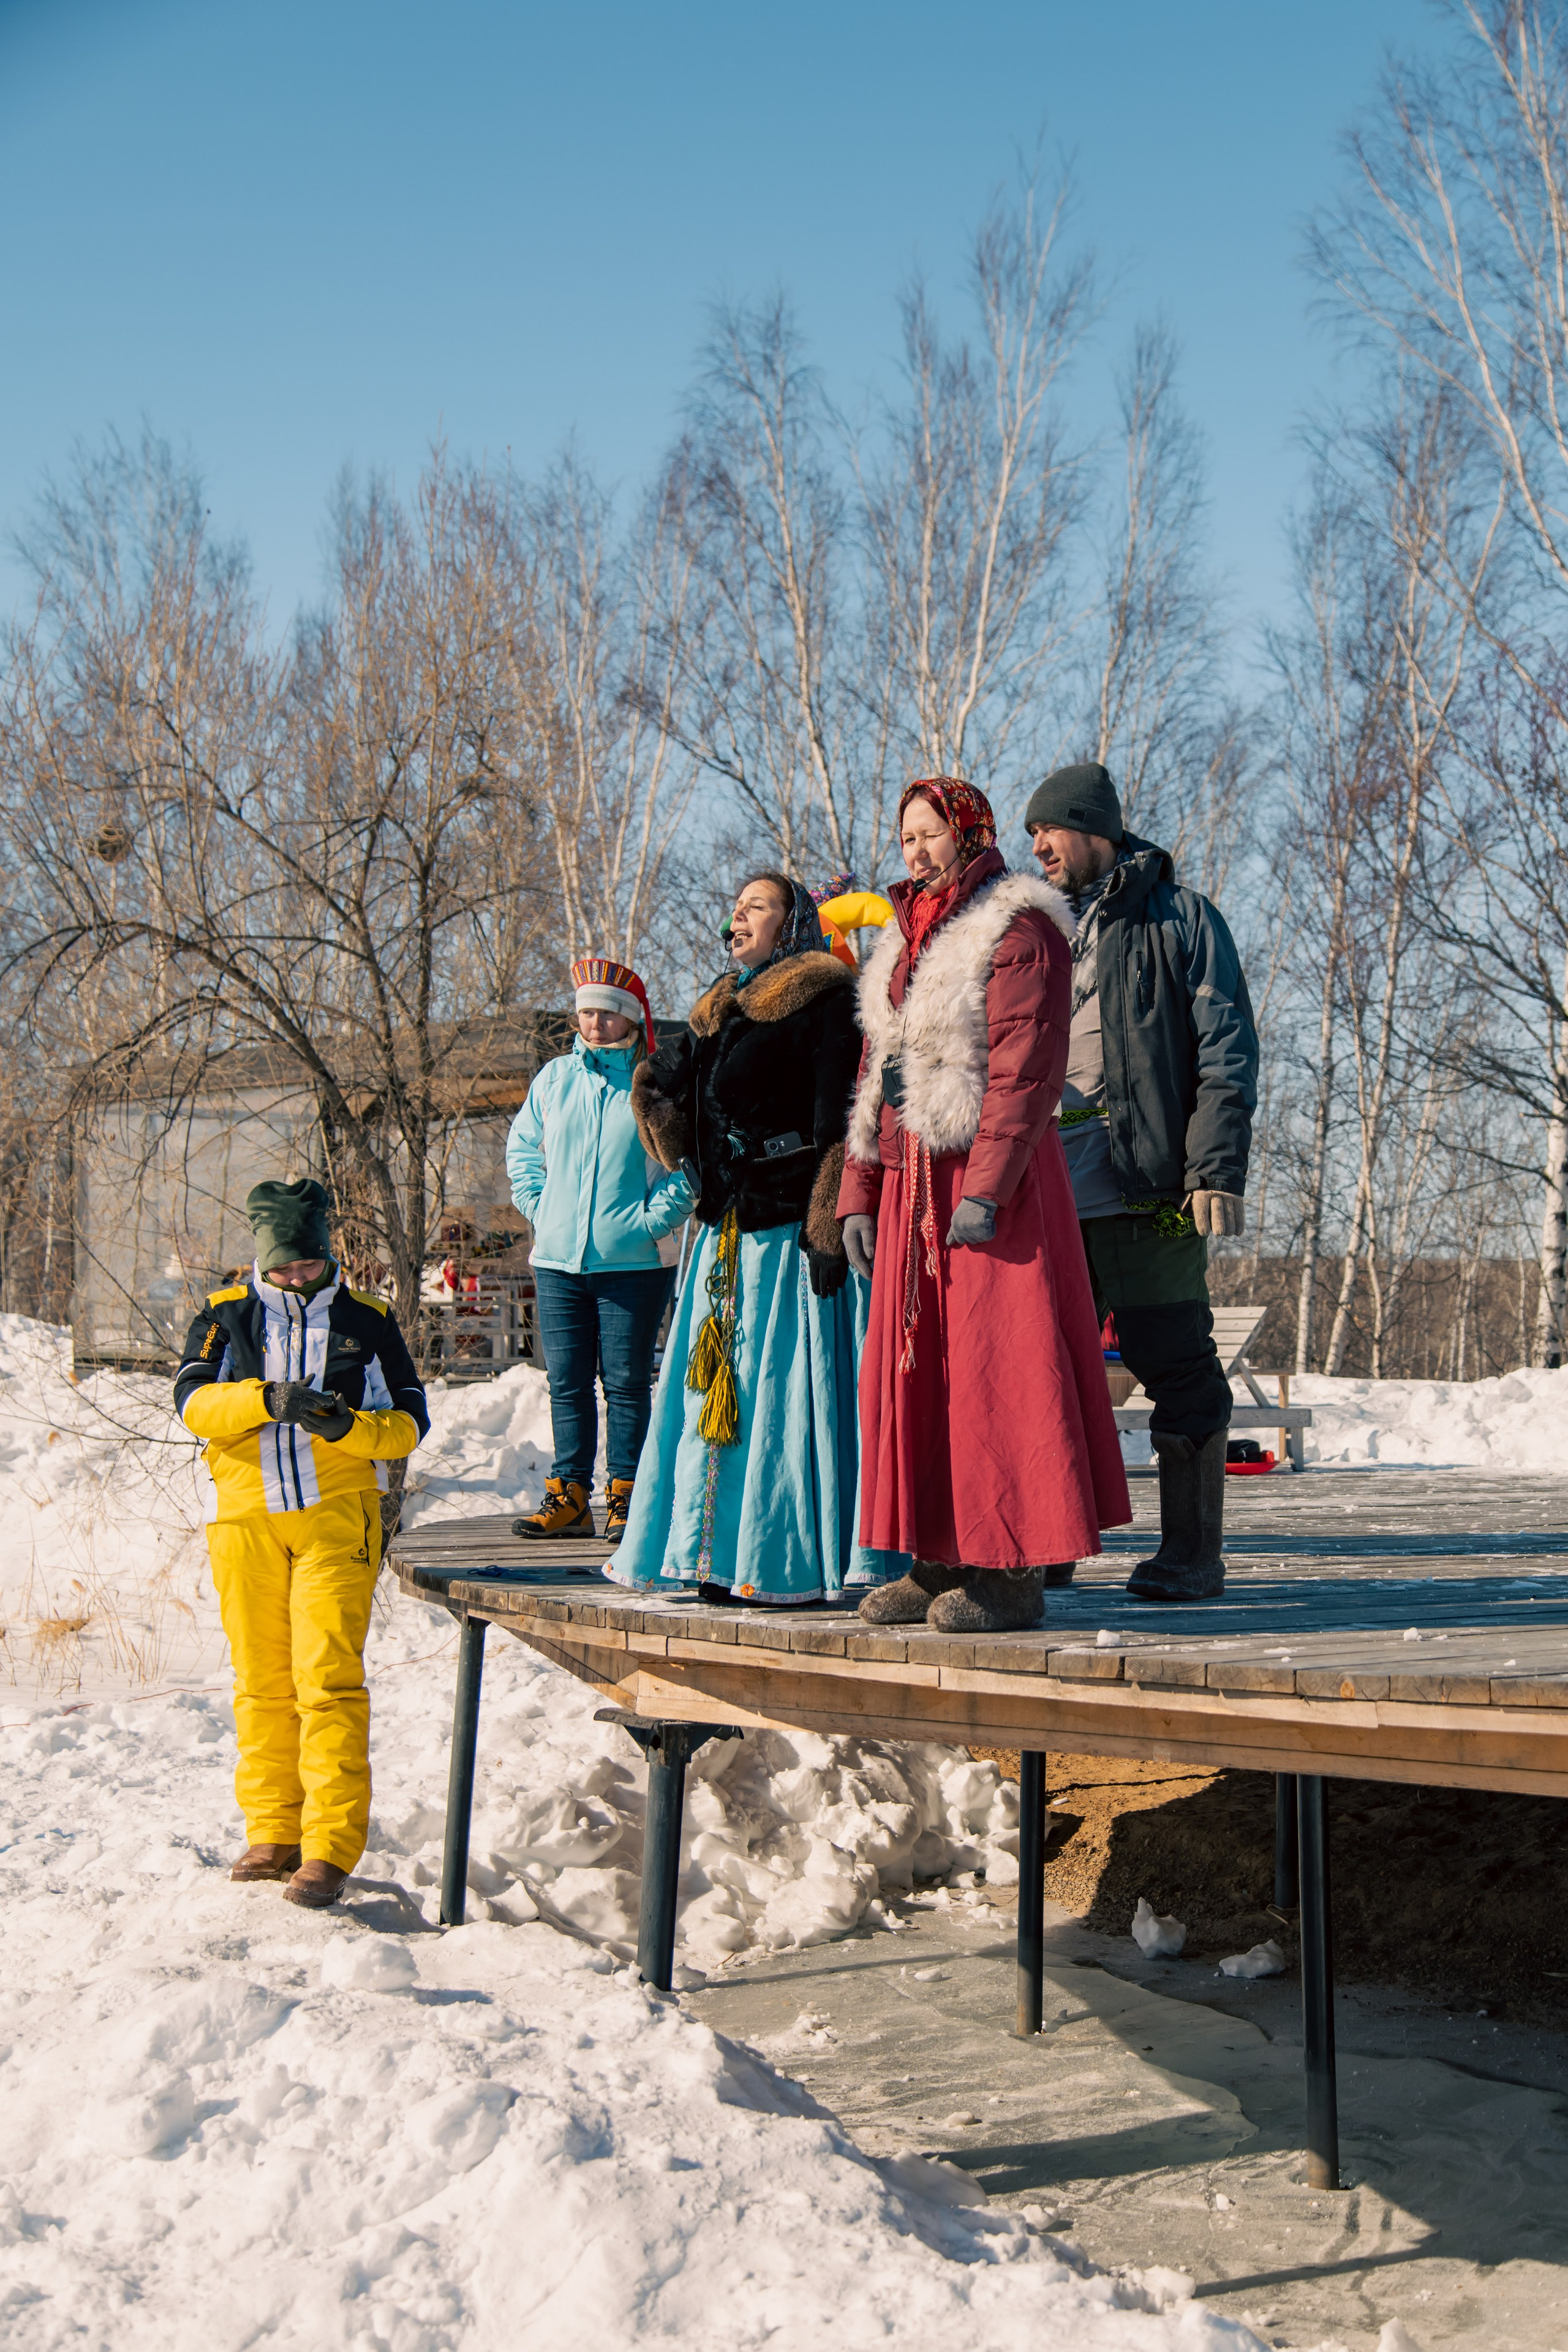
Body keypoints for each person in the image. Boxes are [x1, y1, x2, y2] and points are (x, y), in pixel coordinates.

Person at [838, 778, 1129, 1631]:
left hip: (988, 1183)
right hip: (912, 1181)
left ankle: (1009, 1572)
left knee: (997, 1374)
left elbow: (1025, 1068)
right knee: (922, 1373)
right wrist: (859, 1189)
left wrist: (989, 1185)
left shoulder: (1018, 926)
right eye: (907, 837)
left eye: (931, 833)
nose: (917, 850)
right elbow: (876, 1073)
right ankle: (936, 1558)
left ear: (970, 833)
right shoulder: (902, 938)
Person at [1024, 760, 1259, 1602]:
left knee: (1177, 1365)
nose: (1037, 847)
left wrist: (1215, 1167)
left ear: (1096, 827)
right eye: (1030, 835)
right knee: (1044, 1373)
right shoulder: (1034, 930)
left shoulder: (1181, 918)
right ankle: (1046, 1545)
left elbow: (1227, 1048)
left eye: (1049, 829)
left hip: (1148, 1189)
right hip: (1048, 1196)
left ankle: (1192, 1555)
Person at [173, 1178, 429, 1908]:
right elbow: (192, 1401)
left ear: (325, 1253)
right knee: (261, 1682)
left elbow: (410, 1422)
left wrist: (349, 1427)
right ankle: (272, 1832)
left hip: (335, 1517)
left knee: (327, 1681)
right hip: (245, 1517)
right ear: (262, 1258)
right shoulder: (226, 1315)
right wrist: (263, 1400)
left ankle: (328, 1847)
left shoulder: (367, 1320)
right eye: (282, 1266)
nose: (295, 1277)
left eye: (307, 1263)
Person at [609, 873, 862, 1603]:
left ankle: (777, 1559)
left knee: (777, 1397)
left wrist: (826, 1223)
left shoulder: (825, 999)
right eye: (736, 907)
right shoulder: (718, 1008)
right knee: (708, 1396)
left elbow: (841, 1122)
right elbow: (675, 1103)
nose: (737, 918)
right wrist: (654, 1099)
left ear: (792, 925)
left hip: (787, 1231)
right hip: (723, 1229)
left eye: (757, 906)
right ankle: (708, 1555)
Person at [507, 956, 695, 1540]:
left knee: (627, 1383)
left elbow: (687, 1165)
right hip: (557, 1263)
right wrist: (542, 1208)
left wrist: (649, 1223)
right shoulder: (555, 1078)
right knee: (566, 1384)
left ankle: (627, 1497)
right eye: (587, 1013)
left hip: (634, 1264)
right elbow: (523, 1149)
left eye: (608, 1014)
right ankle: (570, 1495)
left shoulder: (656, 1082)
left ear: (633, 1020)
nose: (595, 1024)